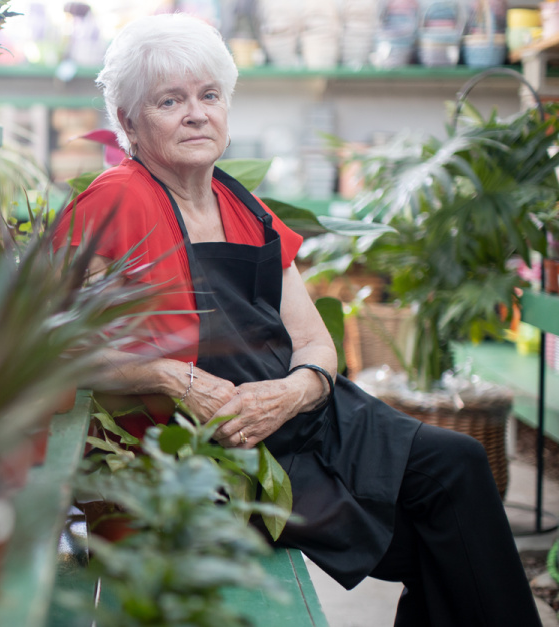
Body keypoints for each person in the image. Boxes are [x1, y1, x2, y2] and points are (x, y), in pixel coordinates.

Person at [55, 13, 541, 627]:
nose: (196, 114)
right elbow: (57, 346)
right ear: (129, 121)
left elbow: (314, 340)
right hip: (225, 449)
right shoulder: (113, 199)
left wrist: (295, 391)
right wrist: (171, 377)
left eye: (209, 96)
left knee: (458, 465)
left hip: (299, 414)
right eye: (170, 101)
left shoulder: (246, 207)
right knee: (440, 539)